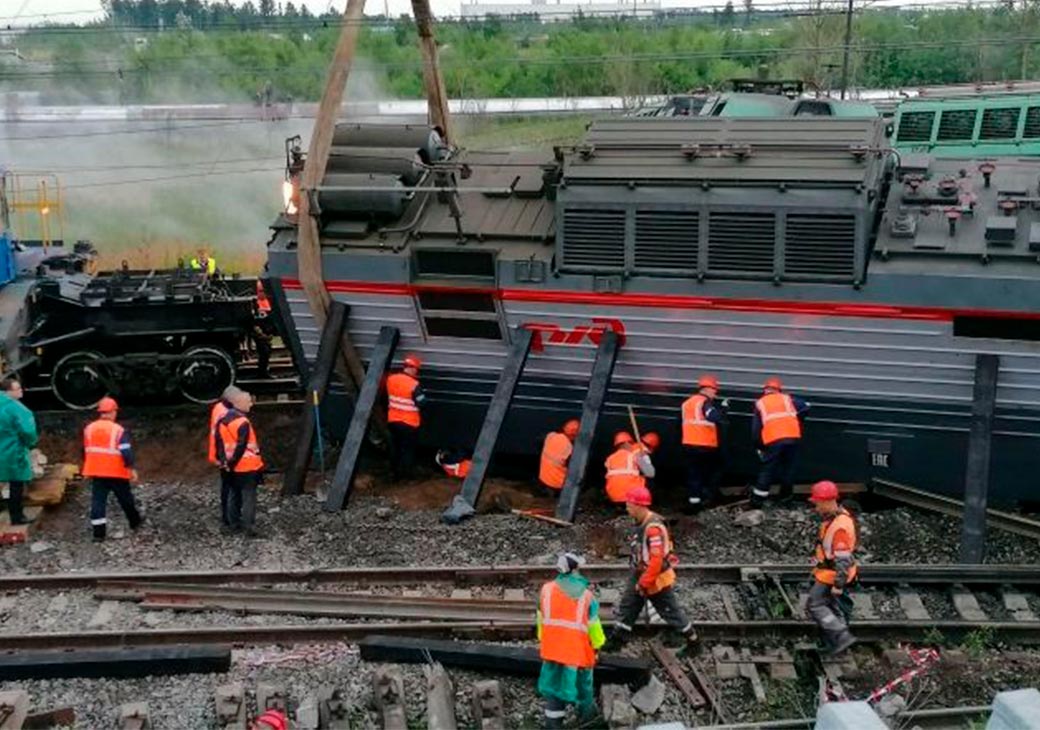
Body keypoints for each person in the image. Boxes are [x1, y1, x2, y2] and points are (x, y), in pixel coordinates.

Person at [604, 487, 697, 651]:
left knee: (669, 610)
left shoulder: (653, 529)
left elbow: (656, 561)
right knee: (628, 606)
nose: (627, 508)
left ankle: (693, 642)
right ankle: (617, 641)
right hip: (641, 572)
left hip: (654, 577)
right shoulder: (642, 522)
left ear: (639, 505)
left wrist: (644, 583)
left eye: (629, 505)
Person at [537, 552, 605, 729]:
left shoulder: (547, 590)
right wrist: (597, 647)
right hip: (578, 653)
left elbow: (541, 620)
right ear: (575, 570)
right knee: (584, 689)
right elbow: (594, 627)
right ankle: (588, 720)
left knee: (554, 689)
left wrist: (545, 640)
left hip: (553, 651)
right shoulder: (587, 596)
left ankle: (553, 724)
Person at [806, 480, 858, 655]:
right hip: (827, 572)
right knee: (832, 607)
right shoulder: (835, 518)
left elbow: (843, 559)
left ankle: (841, 636)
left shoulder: (840, 526)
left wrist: (838, 584)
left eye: (818, 503)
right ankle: (835, 642)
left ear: (828, 501)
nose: (816, 507)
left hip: (832, 575)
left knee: (815, 604)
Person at [82, 397, 143, 542]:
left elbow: (85, 450)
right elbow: (125, 451)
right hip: (116, 471)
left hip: (97, 471)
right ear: (112, 412)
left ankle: (98, 534)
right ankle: (135, 522)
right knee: (125, 498)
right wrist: (131, 468)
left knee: (98, 501)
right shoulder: (118, 430)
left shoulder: (89, 429)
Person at [750, 377, 810, 508]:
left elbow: (756, 430)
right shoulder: (788, 399)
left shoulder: (760, 403)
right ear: (779, 390)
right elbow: (806, 406)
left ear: (765, 390)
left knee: (767, 469)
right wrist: (797, 419)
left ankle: (757, 501)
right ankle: (786, 499)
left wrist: (759, 446)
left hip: (773, 440)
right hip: (793, 438)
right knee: (788, 469)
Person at [215, 389, 265, 536]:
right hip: (247, 466)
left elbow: (219, 443)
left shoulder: (222, 420)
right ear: (239, 403)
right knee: (249, 497)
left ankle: (233, 524)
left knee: (233, 494)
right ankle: (249, 527)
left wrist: (225, 462)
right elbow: (241, 445)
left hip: (230, 466)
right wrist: (233, 462)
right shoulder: (243, 422)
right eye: (248, 401)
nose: (251, 404)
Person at [681, 375, 727, 513]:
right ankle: (707, 498)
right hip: (705, 446)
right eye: (714, 390)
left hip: (689, 444)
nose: (715, 393)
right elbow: (713, 417)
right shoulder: (705, 403)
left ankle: (693, 503)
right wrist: (724, 410)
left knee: (694, 474)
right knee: (710, 472)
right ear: (707, 389)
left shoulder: (686, 403)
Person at [0, 377, 37, 525]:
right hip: (13, 451)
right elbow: (28, 431)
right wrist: (30, 443)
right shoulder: (17, 409)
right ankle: (17, 516)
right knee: (16, 483)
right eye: (18, 388)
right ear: (8, 392)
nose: (21, 390)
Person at [386, 354, 426, 481]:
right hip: (409, 423)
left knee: (396, 447)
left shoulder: (391, 379)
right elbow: (422, 403)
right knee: (408, 450)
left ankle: (393, 473)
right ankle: (407, 476)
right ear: (413, 368)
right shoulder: (414, 384)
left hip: (393, 421)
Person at [208, 386, 239, 527]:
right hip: (227, 456)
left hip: (222, 455)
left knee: (227, 486)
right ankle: (230, 518)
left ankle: (228, 516)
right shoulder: (227, 414)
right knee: (231, 487)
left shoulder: (218, 408)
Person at [603, 431, 654, 504]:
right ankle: (644, 505)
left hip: (613, 497)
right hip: (631, 498)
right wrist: (645, 458)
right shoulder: (633, 455)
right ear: (626, 443)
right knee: (649, 481)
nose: (632, 446)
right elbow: (651, 473)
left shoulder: (610, 458)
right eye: (631, 443)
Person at [539, 419, 580, 495]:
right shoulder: (569, 449)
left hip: (543, 479)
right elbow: (575, 470)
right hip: (558, 485)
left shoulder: (551, 436)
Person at [253, 280, 274, 378]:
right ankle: (262, 372)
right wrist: (261, 334)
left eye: (263, 291)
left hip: (266, 333)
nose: (262, 293)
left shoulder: (268, 302)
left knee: (266, 352)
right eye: (260, 291)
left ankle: (264, 371)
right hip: (259, 334)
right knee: (264, 352)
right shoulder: (255, 303)